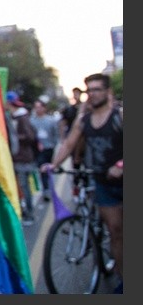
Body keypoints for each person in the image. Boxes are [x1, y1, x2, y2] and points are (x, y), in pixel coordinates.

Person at [42, 73, 122, 290]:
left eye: (97, 89)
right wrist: (54, 164)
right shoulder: (84, 120)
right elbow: (68, 144)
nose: (93, 94)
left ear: (107, 92)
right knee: (115, 230)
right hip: (102, 181)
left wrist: (120, 165)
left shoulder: (119, 116)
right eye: (90, 90)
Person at [6, 91, 37, 226]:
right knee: (18, 187)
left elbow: (30, 136)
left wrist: (14, 138)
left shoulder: (21, 117)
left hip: (23, 158)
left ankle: (29, 213)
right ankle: (21, 211)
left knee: (24, 187)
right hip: (15, 157)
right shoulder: (12, 117)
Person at [29, 98, 59, 201]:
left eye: (40, 107)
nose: (38, 109)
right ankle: (46, 189)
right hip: (38, 149)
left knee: (48, 168)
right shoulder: (32, 121)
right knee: (42, 169)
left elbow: (55, 134)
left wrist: (53, 144)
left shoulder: (50, 120)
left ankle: (48, 188)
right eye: (36, 107)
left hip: (48, 148)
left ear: (44, 108)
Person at [58, 87, 85, 167]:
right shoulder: (69, 109)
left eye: (77, 93)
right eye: (75, 93)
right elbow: (63, 123)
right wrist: (63, 138)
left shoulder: (86, 107)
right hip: (72, 136)